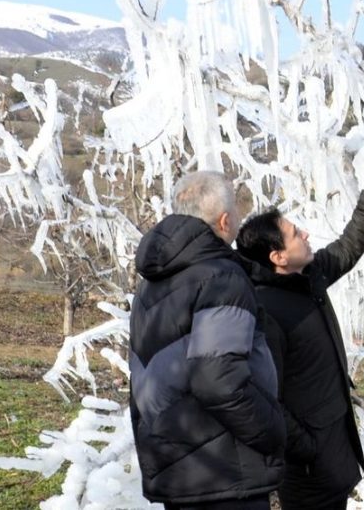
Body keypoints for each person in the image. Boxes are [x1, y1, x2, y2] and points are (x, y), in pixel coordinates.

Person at [236, 142, 364, 510]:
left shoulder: (306, 276)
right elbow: (266, 397)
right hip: (308, 467)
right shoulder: (266, 313)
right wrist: (306, 447)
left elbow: (348, 247)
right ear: (278, 256)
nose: (306, 234)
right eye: (295, 234)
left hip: (333, 446)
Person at [129, 171, 285, 510]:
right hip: (225, 473)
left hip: (178, 465)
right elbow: (219, 382)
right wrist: (274, 430)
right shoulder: (221, 276)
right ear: (225, 221)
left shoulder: (154, 279)